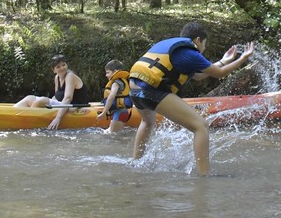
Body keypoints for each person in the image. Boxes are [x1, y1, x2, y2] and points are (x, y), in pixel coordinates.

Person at [129, 21, 255, 176]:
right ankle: (205, 175)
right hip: (151, 90)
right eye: (204, 45)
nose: (204, 49)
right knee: (201, 126)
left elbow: (198, 76)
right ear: (198, 40)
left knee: (147, 122)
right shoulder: (190, 52)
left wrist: (224, 60)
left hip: (134, 89)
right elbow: (219, 74)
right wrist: (243, 58)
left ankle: (136, 163)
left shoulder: (174, 48)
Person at [14, 54, 89, 130]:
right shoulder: (57, 78)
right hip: (63, 105)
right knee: (29, 98)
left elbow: (68, 98)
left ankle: (28, 121)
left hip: (74, 107)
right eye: (58, 67)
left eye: (64, 65)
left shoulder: (70, 76)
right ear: (54, 70)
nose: (62, 68)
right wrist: (49, 104)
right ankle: (13, 113)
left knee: (42, 101)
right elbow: (56, 97)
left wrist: (58, 118)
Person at [96, 59, 133, 133]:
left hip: (119, 113)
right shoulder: (123, 81)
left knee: (113, 137)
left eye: (108, 72)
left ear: (115, 71)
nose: (106, 75)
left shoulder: (116, 83)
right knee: (112, 134)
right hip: (121, 112)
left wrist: (104, 113)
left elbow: (111, 97)